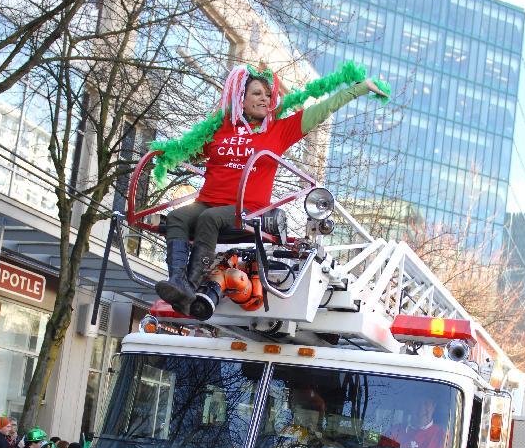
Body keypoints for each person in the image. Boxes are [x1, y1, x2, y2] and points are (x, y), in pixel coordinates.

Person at [155, 62, 390, 314]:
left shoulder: (279, 131)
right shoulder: (220, 129)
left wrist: (360, 89)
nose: (265, 100)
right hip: (208, 200)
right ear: (241, 99)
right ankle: (178, 281)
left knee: (209, 219)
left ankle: (191, 286)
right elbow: (188, 153)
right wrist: (165, 155)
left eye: (269, 96)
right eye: (257, 94)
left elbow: (323, 109)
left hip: (247, 210)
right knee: (178, 217)